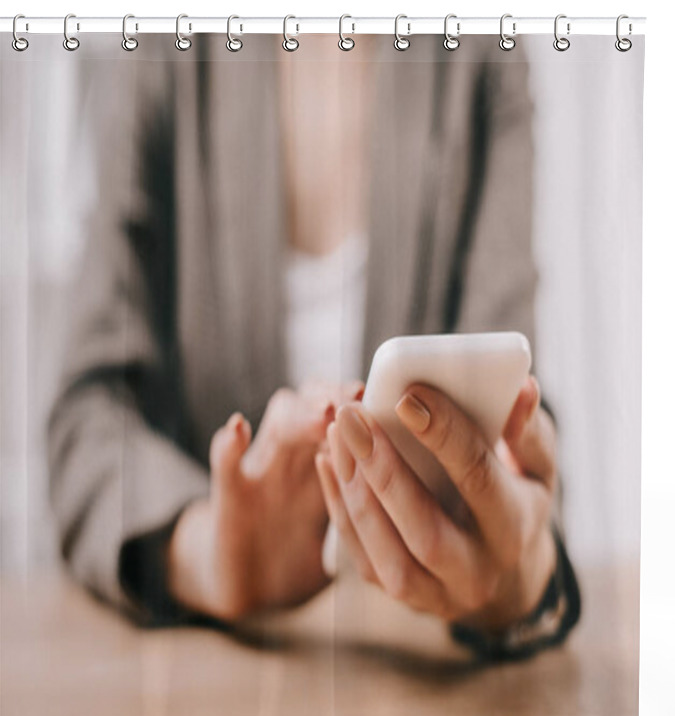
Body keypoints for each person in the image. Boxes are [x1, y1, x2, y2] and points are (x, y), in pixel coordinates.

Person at [47, 33, 579, 661]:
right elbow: (88, 417)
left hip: (418, 677)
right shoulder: (165, 45)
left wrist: (519, 575)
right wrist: (205, 550)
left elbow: (515, 416)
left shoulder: (484, 50)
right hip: (212, 669)